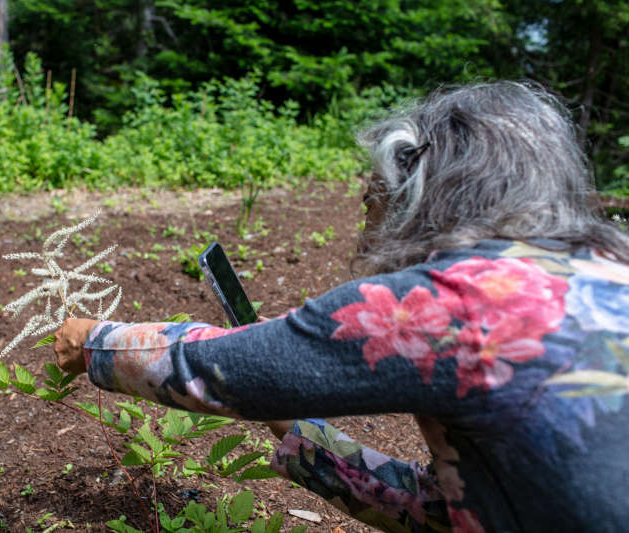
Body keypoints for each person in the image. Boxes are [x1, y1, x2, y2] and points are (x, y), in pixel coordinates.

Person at [53, 81, 629, 533]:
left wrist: (94, 342)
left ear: (414, 191)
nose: (365, 221)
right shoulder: (610, 266)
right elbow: (446, 513)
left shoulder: (453, 300)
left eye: (370, 197)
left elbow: (225, 372)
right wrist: (297, 431)